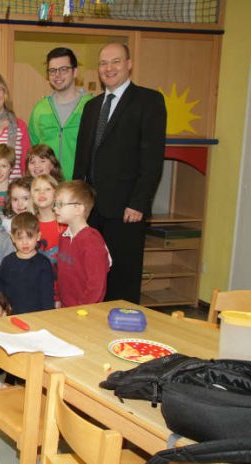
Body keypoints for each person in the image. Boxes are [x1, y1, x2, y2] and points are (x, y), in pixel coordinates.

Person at [74, 42, 166, 303]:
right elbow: (83, 158)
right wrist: (76, 202)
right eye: (103, 63)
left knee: (122, 279)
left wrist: (138, 202)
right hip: (91, 210)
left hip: (126, 210)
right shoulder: (91, 107)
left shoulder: (148, 101)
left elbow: (152, 160)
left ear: (129, 64)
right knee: (91, 274)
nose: (109, 68)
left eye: (115, 61)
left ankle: (121, 336)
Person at [28, 47, 92, 181]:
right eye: (52, 71)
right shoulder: (40, 109)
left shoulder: (91, 106)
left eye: (63, 69)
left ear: (75, 72)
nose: (57, 75)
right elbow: (33, 150)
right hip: (47, 188)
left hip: (80, 188)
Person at [55, 180, 110, 307]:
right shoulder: (64, 237)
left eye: (60, 204)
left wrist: (83, 308)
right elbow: (61, 273)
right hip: (66, 308)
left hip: (85, 310)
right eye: (55, 204)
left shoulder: (91, 241)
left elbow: (96, 284)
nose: (55, 208)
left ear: (78, 209)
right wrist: (58, 298)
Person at [0, 212, 54, 313]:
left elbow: (47, 296)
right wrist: (4, 306)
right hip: (12, 315)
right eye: (20, 238)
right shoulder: (8, 262)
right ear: (12, 238)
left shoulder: (44, 264)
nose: (25, 242)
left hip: (38, 316)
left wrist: (47, 316)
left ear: (38, 236)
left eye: (29, 237)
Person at [31, 174, 65, 267]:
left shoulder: (65, 223)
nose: (41, 193)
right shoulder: (29, 224)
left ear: (56, 195)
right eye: (37, 189)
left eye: (47, 189)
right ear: (32, 196)